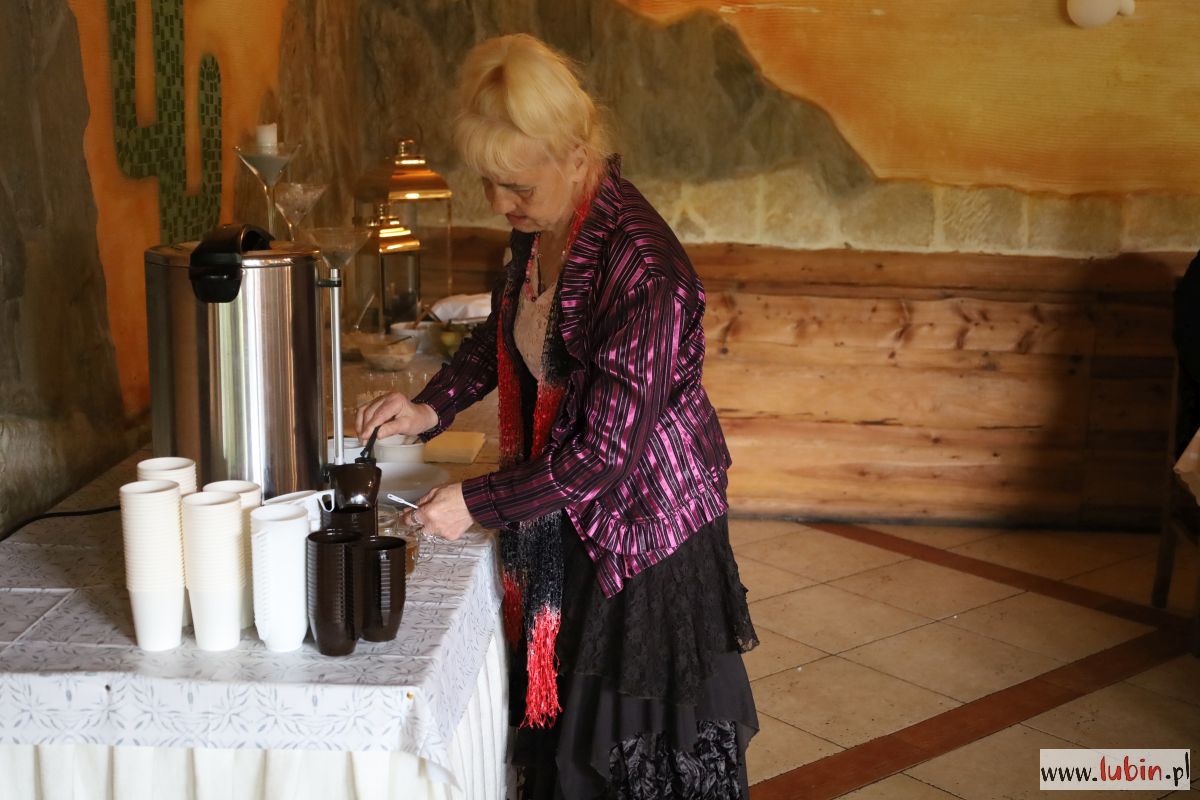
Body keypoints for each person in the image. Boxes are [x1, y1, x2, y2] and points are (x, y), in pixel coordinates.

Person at [356, 33, 758, 799]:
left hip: (644, 537)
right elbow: (509, 331)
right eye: (488, 183)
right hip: (572, 514)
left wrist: (475, 502)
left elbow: (603, 457)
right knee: (569, 748)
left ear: (576, 155)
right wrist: (428, 406)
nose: (500, 205)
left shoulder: (643, 269)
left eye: (515, 185)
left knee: (621, 763)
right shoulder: (546, 230)